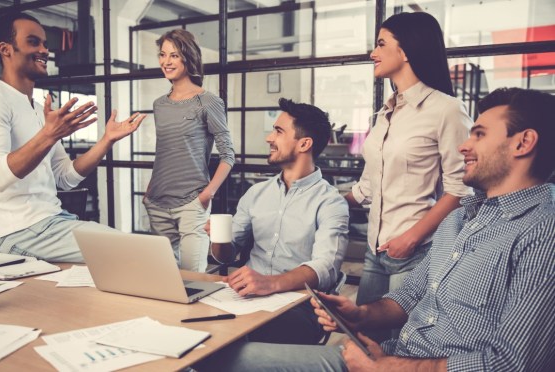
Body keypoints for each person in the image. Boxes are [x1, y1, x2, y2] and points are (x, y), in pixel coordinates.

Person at [201, 87, 555, 371]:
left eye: (478, 134)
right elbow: (411, 296)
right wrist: (360, 314)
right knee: (220, 358)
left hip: (402, 364)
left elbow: (514, 363)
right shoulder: (460, 218)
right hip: (386, 356)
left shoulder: (542, 231)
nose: (464, 145)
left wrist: (392, 367)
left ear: (523, 143)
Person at [0, 12, 145, 262]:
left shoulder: (37, 109)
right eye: (34, 42)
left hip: (54, 221)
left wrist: (106, 141)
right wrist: (48, 135)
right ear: (6, 49)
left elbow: (65, 178)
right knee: (141, 253)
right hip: (22, 232)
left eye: (45, 44)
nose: (45, 50)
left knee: (142, 254)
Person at [344, 12, 473, 340]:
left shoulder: (446, 110)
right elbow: (368, 186)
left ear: (406, 51)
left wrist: (411, 238)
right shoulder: (386, 113)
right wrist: (317, 198)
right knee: (364, 341)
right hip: (376, 251)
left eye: (381, 44)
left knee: (403, 347)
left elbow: (461, 191)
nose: (373, 53)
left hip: (415, 253)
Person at [208, 98, 349, 345]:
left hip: (298, 306)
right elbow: (227, 256)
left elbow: (325, 267)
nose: (269, 138)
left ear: (304, 144)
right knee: (197, 323)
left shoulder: (331, 202)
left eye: (279, 131)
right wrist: (219, 239)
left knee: (238, 340)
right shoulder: (256, 193)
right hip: (246, 298)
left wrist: (269, 284)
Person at [142, 29, 235, 272]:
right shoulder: (159, 105)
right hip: (157, 203)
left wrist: (207, 195)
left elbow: (228, 156)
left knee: (193, 280)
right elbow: (165, 150)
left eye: (174, 55)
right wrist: (150, 191)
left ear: (188, 57)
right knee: (164, 280)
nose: (166, 61)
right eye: (163, 55)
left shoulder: (208, 101)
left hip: (192, 204)